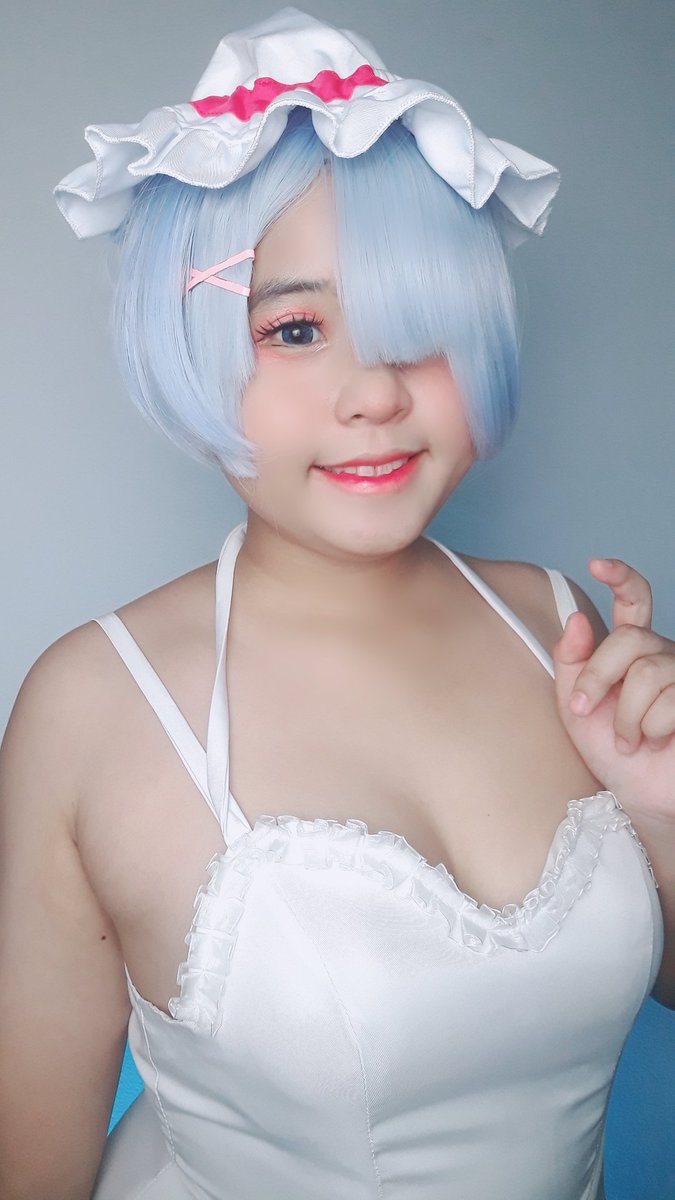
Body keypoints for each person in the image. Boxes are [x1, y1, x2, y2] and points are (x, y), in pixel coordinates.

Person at [1, 7, 673, 1199]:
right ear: (190, 340)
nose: (373, 395)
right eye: (296, 328)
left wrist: (664, 808)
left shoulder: (557, 625)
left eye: (421, 325)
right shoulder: (94, 706)